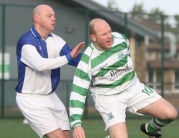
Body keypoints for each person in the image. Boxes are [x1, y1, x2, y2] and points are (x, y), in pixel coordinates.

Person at [69, 18, 178, 138]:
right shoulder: (87, 61)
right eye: (104, 34)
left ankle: (151, 129)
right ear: (93, 37)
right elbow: (78, 92)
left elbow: (126, 58)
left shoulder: (121, 39)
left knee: (170, 114)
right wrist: (76, 124)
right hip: (109, 99)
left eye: (109, 32)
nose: (109, 36)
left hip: (133, 88)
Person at [15, 4, 85, 138]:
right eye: (49, 16)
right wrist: (69, 57)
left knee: (66, 135)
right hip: (30, 99)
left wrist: (100, 62)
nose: (54, 18)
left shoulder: (57, 40)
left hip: (51, 96)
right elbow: (40, 65)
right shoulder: (25, 41)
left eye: (54, 16)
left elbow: (76, 59)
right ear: (37, 19)